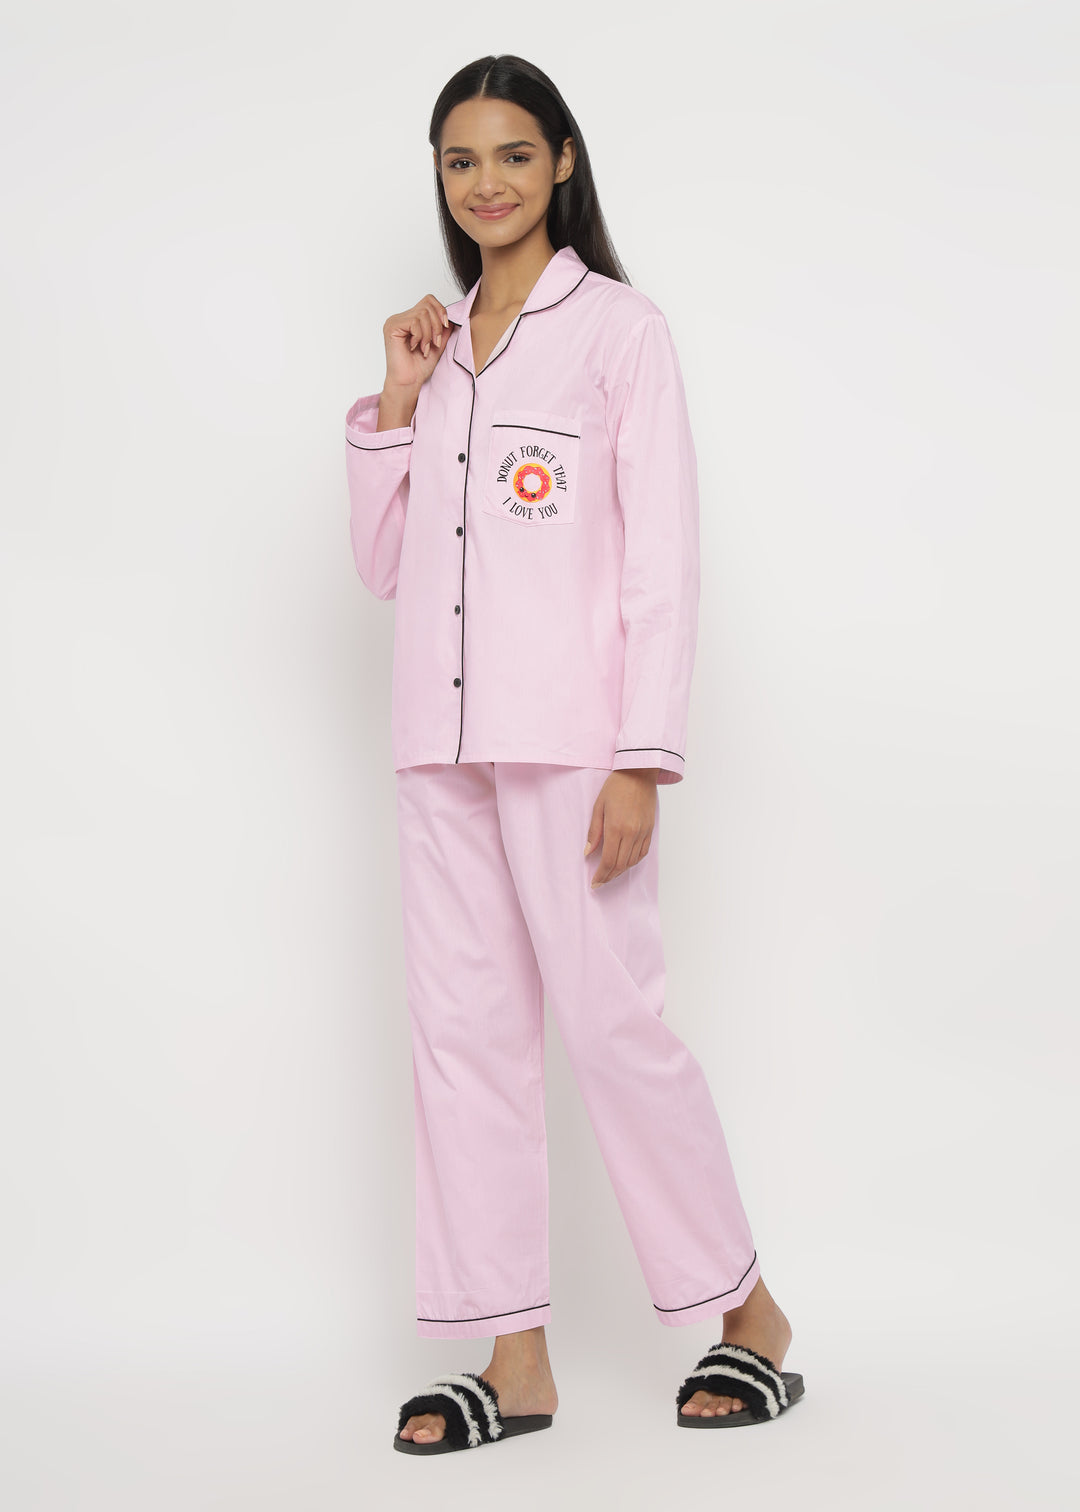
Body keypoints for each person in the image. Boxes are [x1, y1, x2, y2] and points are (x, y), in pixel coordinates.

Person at [344, 54, 802, 1454]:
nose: (485, 183)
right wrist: (396, 402)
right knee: (465, 1043)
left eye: (512, 155)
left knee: (611, 1027)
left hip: (573, 744)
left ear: (562, 164)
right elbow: (385, 568)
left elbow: (663, 557)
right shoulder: (437, 346)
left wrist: (641, 759)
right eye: (460, 160)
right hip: (441, 748)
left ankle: (749, 1316)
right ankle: (515, 1359)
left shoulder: (618, 333)